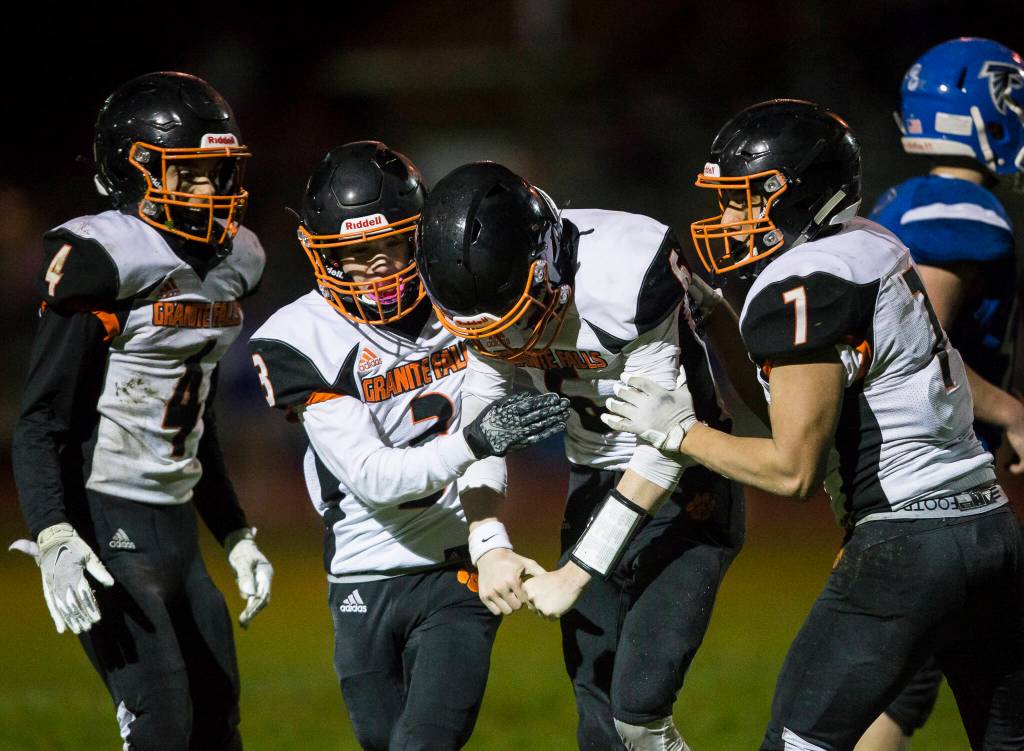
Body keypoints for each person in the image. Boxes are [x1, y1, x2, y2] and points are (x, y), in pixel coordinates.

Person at [603, 98, 1024, 751]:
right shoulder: (875, 244)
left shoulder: (802, 282)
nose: (730, 219)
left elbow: (793, 468)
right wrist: (719, 322)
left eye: (747, 200)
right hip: (992, 532)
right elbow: (807, 397)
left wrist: (680, 432)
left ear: (803, 195)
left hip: (906, 546)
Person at [247, 141, 568, 751]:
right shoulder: (302, 337)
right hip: (360, 572)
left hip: (455, 567)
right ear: (323, 257)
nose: (376, 268)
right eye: (354, 254)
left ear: (418, 238)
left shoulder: (463, 297)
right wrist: (476, 441)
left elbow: (484, 414)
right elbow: (372, 476)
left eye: (389, 245)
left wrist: (489, 535)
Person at [415, 161, 745, 751]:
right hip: (590, 478)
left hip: (685, 481)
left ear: (544, 259)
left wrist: (578, 569)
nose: (508, 342)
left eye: (513, 318)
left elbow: (666, 442)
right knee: (595, 704)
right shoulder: (483, 296)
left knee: (638, 706)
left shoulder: (625, 268)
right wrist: (488, 543)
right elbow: (483, 428)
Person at [9, 72, 273, 751]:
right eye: (190, 174)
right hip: (106, 519)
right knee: (161, 724)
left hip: (176, 524)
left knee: (218, 723)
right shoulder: (105, 258)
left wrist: (235, 530)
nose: (211, 190)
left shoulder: (233, 260)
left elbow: (194, 414)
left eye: (217, 171)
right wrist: (55, 534)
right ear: (134, 172)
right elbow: (40, 417)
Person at [859, 37, 1024, 751]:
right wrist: (1012, 411)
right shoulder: (957, 210)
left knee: (907, 679)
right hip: (928, 488)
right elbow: (921, 349)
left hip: (904, 480)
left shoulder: (909, 199)